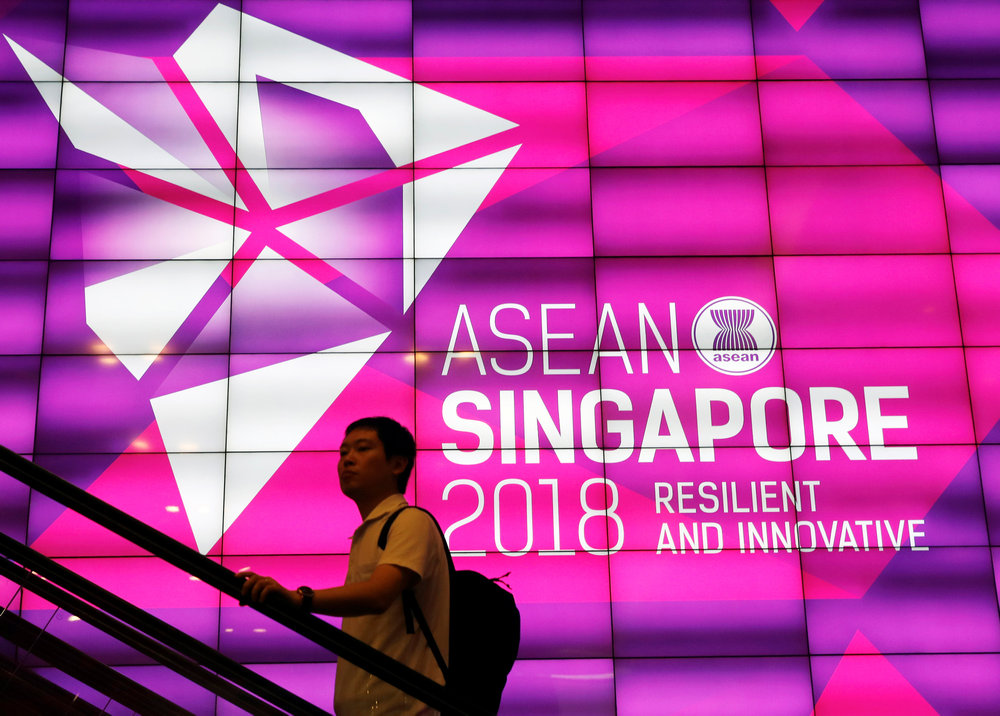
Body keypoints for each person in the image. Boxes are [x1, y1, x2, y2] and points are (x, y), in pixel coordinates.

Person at [240, 417, 450, 715]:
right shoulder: (369, 532)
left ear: (398, 464)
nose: (347, 460)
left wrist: (300, 599)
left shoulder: (411, 521)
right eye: (343, 452)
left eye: (362, 449)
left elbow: (378, 595)